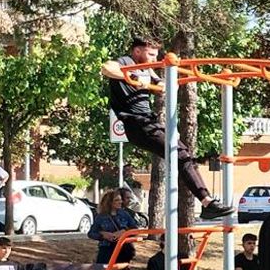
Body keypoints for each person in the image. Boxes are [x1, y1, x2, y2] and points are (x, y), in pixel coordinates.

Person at [100, 37, 233, 221]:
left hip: (149, 123)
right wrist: (131, 77)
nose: (155, 59)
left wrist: (162, 85)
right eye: (151, 54)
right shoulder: (127, 63)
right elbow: (107, 68)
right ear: (138, 51)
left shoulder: (147, 69)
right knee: (180, 154)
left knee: (183, 155)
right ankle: (207, 202)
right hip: (137, 125)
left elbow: (160, 84)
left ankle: (207, 202)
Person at [88, 189, 139, 265]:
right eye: (117, 200)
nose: (120, 202)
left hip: (122, 250)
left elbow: (135, 229)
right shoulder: (101, 217)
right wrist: (103, 235)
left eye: (121, 200)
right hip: (106, 250)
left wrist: (124, 231)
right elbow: (91, 233)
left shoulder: (124, 214)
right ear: (110, 202)